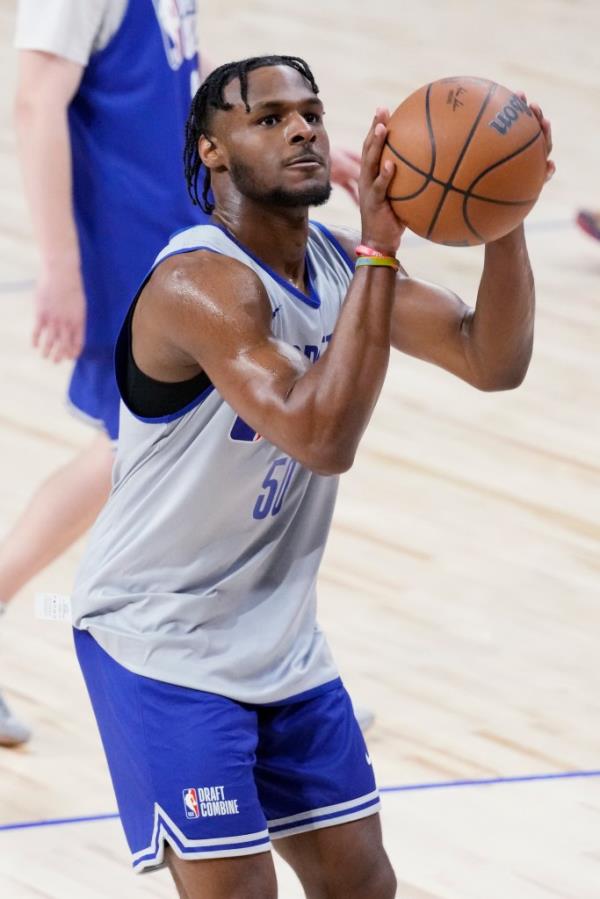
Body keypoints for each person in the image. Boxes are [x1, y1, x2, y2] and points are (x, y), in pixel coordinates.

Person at [70, 55, 553, 896]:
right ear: (212, 151)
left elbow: (491, 355)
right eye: (268, 118)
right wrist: (379, 249)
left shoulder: (335, 263)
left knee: (362, 884)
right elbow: (321, 437)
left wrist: (500, 210)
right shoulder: (201, 285)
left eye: (311, 113)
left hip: (279, 637)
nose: (301, 128)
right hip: (159, 638)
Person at [0, 2, 361, 745]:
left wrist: (290, 155)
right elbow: (35, 100)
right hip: (127, 245)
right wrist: (63, 266)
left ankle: (267, 667)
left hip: (183, 227)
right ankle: (261, 673)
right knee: (137, 449)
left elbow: (189, 92)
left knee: (130, 451)